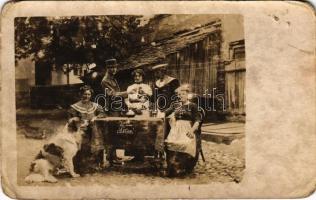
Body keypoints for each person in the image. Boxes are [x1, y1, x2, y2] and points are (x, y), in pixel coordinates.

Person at [162, 84, 202, 176]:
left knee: (185, 143)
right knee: (170, 143)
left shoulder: (192, 106)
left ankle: (183, 166)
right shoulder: (175, 105)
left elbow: (197, 120)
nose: (181, 96)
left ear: (187, 95)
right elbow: (164, 113)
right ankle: (172, 166)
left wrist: (192, 131)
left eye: (183, 94)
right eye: (179, 95)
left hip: (187, 129)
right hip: (176, 130)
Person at [68, 85, 106, 174]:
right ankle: (80, 167)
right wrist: (78, 121)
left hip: (93, 131)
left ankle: (93, 166)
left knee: (95, 143)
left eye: (89, 94)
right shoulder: (75, 107)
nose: (87, 96)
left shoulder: (95, 106)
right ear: (81, 94)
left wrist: (95, 117)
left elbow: (102, 114)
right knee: (82, 146)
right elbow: (70, 120)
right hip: (80, 131)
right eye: (85, 94)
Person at [100, 58, 126, 164]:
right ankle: (110, 157)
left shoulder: (112, 79)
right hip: (111, 108)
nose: (114, 69)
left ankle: (114, 155)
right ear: (107, 68)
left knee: (116, 131)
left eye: (115, 67)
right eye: (111, 67)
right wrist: (128, 93)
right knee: (111, 132)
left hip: (117, 107)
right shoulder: (105, 81)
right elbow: (113, 94)